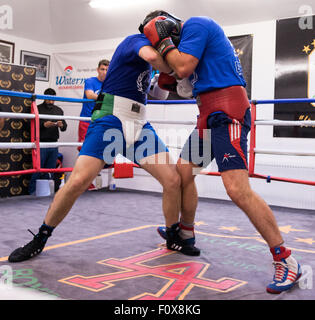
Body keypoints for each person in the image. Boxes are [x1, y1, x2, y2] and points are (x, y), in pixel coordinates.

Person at [141, 10, 302, 294]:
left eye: (159, 37)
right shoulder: (188, 42)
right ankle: (186, 231)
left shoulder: (198, 24)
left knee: (237, 190)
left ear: (166, 26)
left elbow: (182, 68)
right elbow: (171, 82)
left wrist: (164, 44)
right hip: (208, 114)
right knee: (182, 173)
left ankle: (286, 259)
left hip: (228, 112)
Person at [8, 30, 200, 265]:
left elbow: (158, 93)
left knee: (173, 180)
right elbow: (151, 57)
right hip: (110, 118)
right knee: (78, 181)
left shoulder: (156, 61)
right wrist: (179, 68)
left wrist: (169, 79)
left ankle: (172, 236)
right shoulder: (136, 41)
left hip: (139, 124)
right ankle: (40, 237)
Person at [28, 88, 67, 195]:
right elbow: (29, 125)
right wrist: (43, 125)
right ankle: (31, 193)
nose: (50, 102)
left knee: (50, 170)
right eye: (48, 99)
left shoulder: (59, 110)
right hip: (40, 143)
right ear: (44, 97)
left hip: (54, 143)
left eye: (52, 100)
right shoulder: (38, 109)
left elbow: (64, 127)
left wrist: (61, 125)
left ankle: (47, 192)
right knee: (37, 169)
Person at [78, 59, 110, 151]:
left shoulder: (110, 84)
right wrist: (107, 99)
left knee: (100, 148)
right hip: (87, 119)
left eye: (107, 70)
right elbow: (90, 95)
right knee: (83, 148)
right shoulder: (90, 81)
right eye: (102, 69)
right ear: (97, 70)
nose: (104, 72)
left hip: (102, 120)